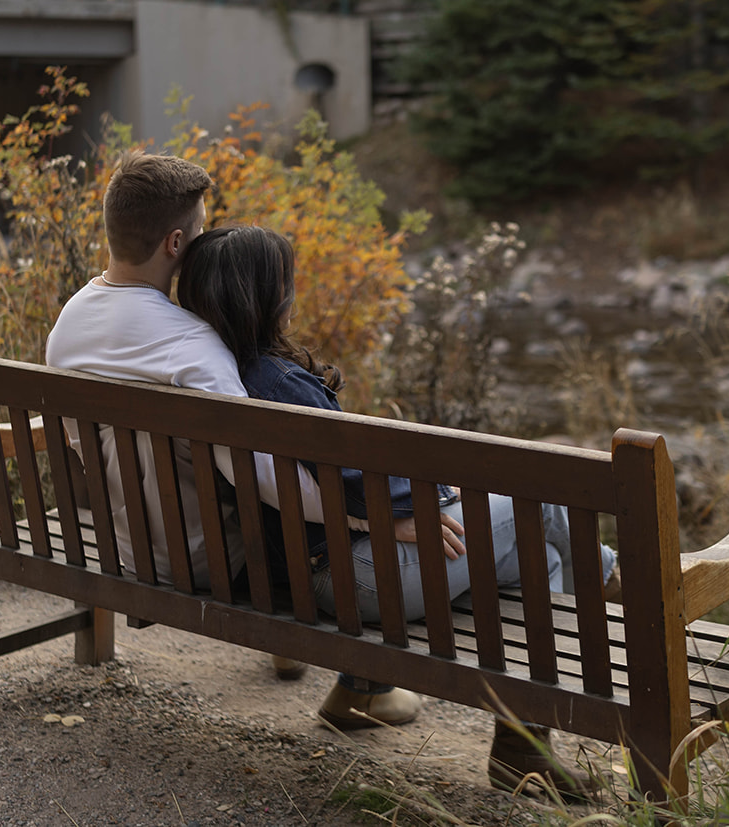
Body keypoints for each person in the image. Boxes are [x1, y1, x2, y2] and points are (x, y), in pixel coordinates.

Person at [176, 224, 620, 797]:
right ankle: (611, 585)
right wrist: (436, 499)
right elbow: (358, 483)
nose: (293, 291)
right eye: (286, 282)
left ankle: (367, 690)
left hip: (286, 572)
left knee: (524, 555)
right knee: (542, 506)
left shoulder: (211, 374)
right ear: (264, 296)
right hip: (351, 579)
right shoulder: (277, 382)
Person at [45, 152, 421, 730]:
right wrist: (374, 513)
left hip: (123, 540)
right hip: (207, 561)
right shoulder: (195, 348)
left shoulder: (69, 324)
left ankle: (349, 677)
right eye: (199, 230)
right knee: (314, 513)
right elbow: (264, 480)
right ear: (175, 244)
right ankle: (358, 678)